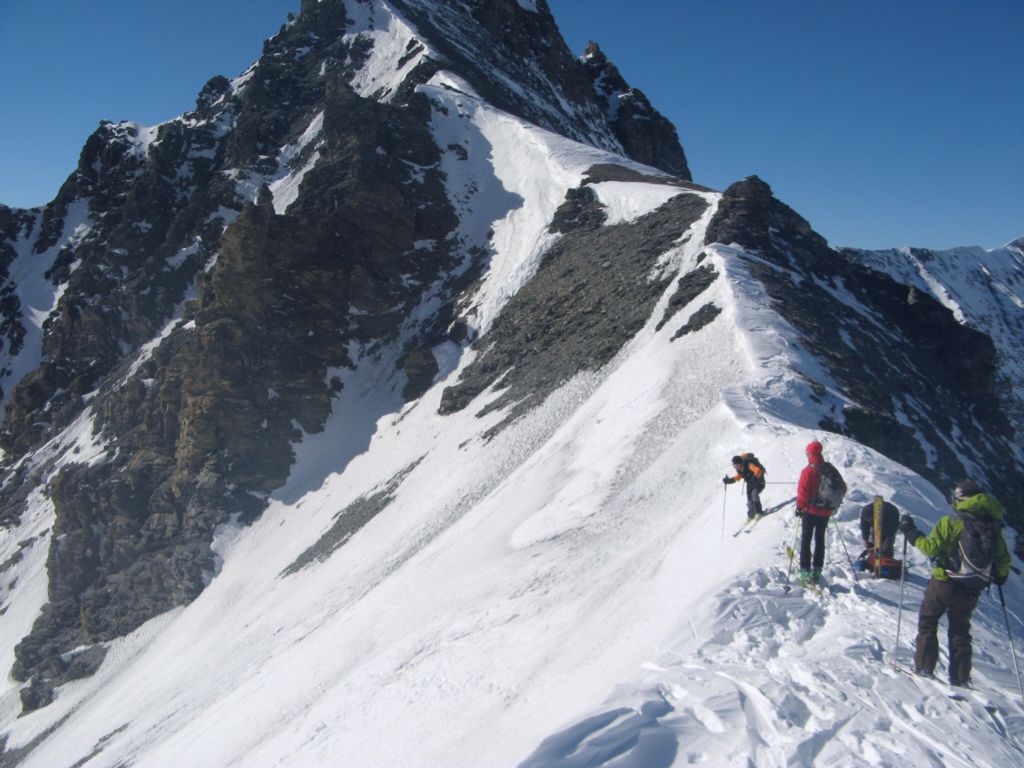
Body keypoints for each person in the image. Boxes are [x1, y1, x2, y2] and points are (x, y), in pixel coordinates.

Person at [899, 480, 1011, 687]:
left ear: (960, 499)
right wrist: (1000, 575)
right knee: (960, 630)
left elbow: (931, 548)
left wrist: (911, 532)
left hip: (944, 581)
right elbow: (1004, 560)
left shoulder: (951, 522)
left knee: (928, 620)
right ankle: (960, 678)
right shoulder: (992, 525)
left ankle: (924, 667)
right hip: (972, 587)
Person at [795, 440, 845, 583]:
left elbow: (803, 492)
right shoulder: (829, 468)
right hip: (826, 511)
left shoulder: (808, 470)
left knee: (806, 540)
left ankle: (805, 571)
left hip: (810, 510)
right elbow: (842, 487)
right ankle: (817, 570)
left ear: (810, 453)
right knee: (820, 539)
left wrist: (799, 507)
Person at [722, 453, 765, 520]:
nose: (734, 466)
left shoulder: (749, 465)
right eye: (734, 465)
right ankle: (751, 515)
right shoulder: (740, 470)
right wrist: (728, 481)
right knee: (749, 500)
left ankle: (759, 512)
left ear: (739, 463)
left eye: (735, 465)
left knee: (754, 494)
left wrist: (754, 477)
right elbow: (737, 477)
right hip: (750, 485)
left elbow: (757, 470)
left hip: (759, 482)